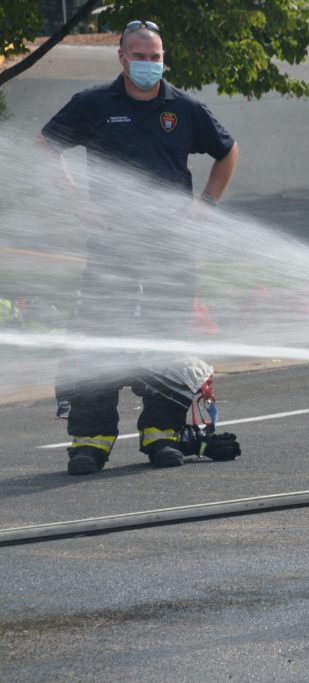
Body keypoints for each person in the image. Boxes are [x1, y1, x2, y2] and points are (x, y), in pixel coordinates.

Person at [41, 20, 240, 475]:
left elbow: (227, 152)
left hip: (171, 246)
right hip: (112, 246)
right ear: (122, 58)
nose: (149, 64)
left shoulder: (185, 108)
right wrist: (77, 202)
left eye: (156, 56)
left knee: (166, 338)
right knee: (101, 338)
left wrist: (205, 206)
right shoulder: (92, 104)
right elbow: (46, 146)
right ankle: (91, 441)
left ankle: (162, 436)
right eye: (140, 56)